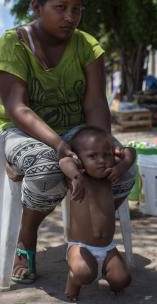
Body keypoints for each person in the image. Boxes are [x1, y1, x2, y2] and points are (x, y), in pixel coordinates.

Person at [0, 0, 136, 284]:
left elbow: (96, 104)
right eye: (61, 8)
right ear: (36, 7)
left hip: (74, 130)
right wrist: (59, 147)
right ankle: (26, 239)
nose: (70, 17)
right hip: (17, 129)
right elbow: (17, 107)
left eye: (77, 10)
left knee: (122, 169)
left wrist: (105, 144)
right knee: (46, 167)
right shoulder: (14, 43)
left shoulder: (87, 46)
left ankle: (88, 239)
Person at [59, 126, 135, 300]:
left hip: (107, 248)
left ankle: (109, 276)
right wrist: (75, 177)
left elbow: (131, 151)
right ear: (78, 159)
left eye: (106, 155)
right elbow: (64, 162)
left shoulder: (108, 177)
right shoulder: (79, 178)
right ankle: (73, 280)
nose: (101, 160)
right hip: (81, 247)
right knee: (84, 274)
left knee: (123, 280)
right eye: (92, 156)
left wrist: (121, 167)